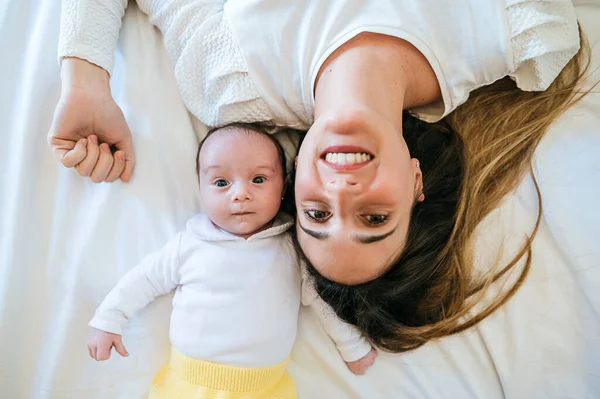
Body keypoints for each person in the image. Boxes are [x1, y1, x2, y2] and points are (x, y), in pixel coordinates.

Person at [50, 0, 587, 351]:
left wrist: (85, 83)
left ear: (291, 182)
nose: (341, 190)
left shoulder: (228, 79)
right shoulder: (525, 34)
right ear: (417, 184)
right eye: (374, 217)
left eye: (316, 214)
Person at [86, 123, 377, 399]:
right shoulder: (190, 244)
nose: (240, 194)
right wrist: (109, 319)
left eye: (259, 179)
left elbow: (322, 302)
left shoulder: (292, 249)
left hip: (267, 388)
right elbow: (143, 280)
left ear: (285, 186)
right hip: (189, 384)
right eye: (221, 182)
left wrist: (352, 346)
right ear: (200, 187)